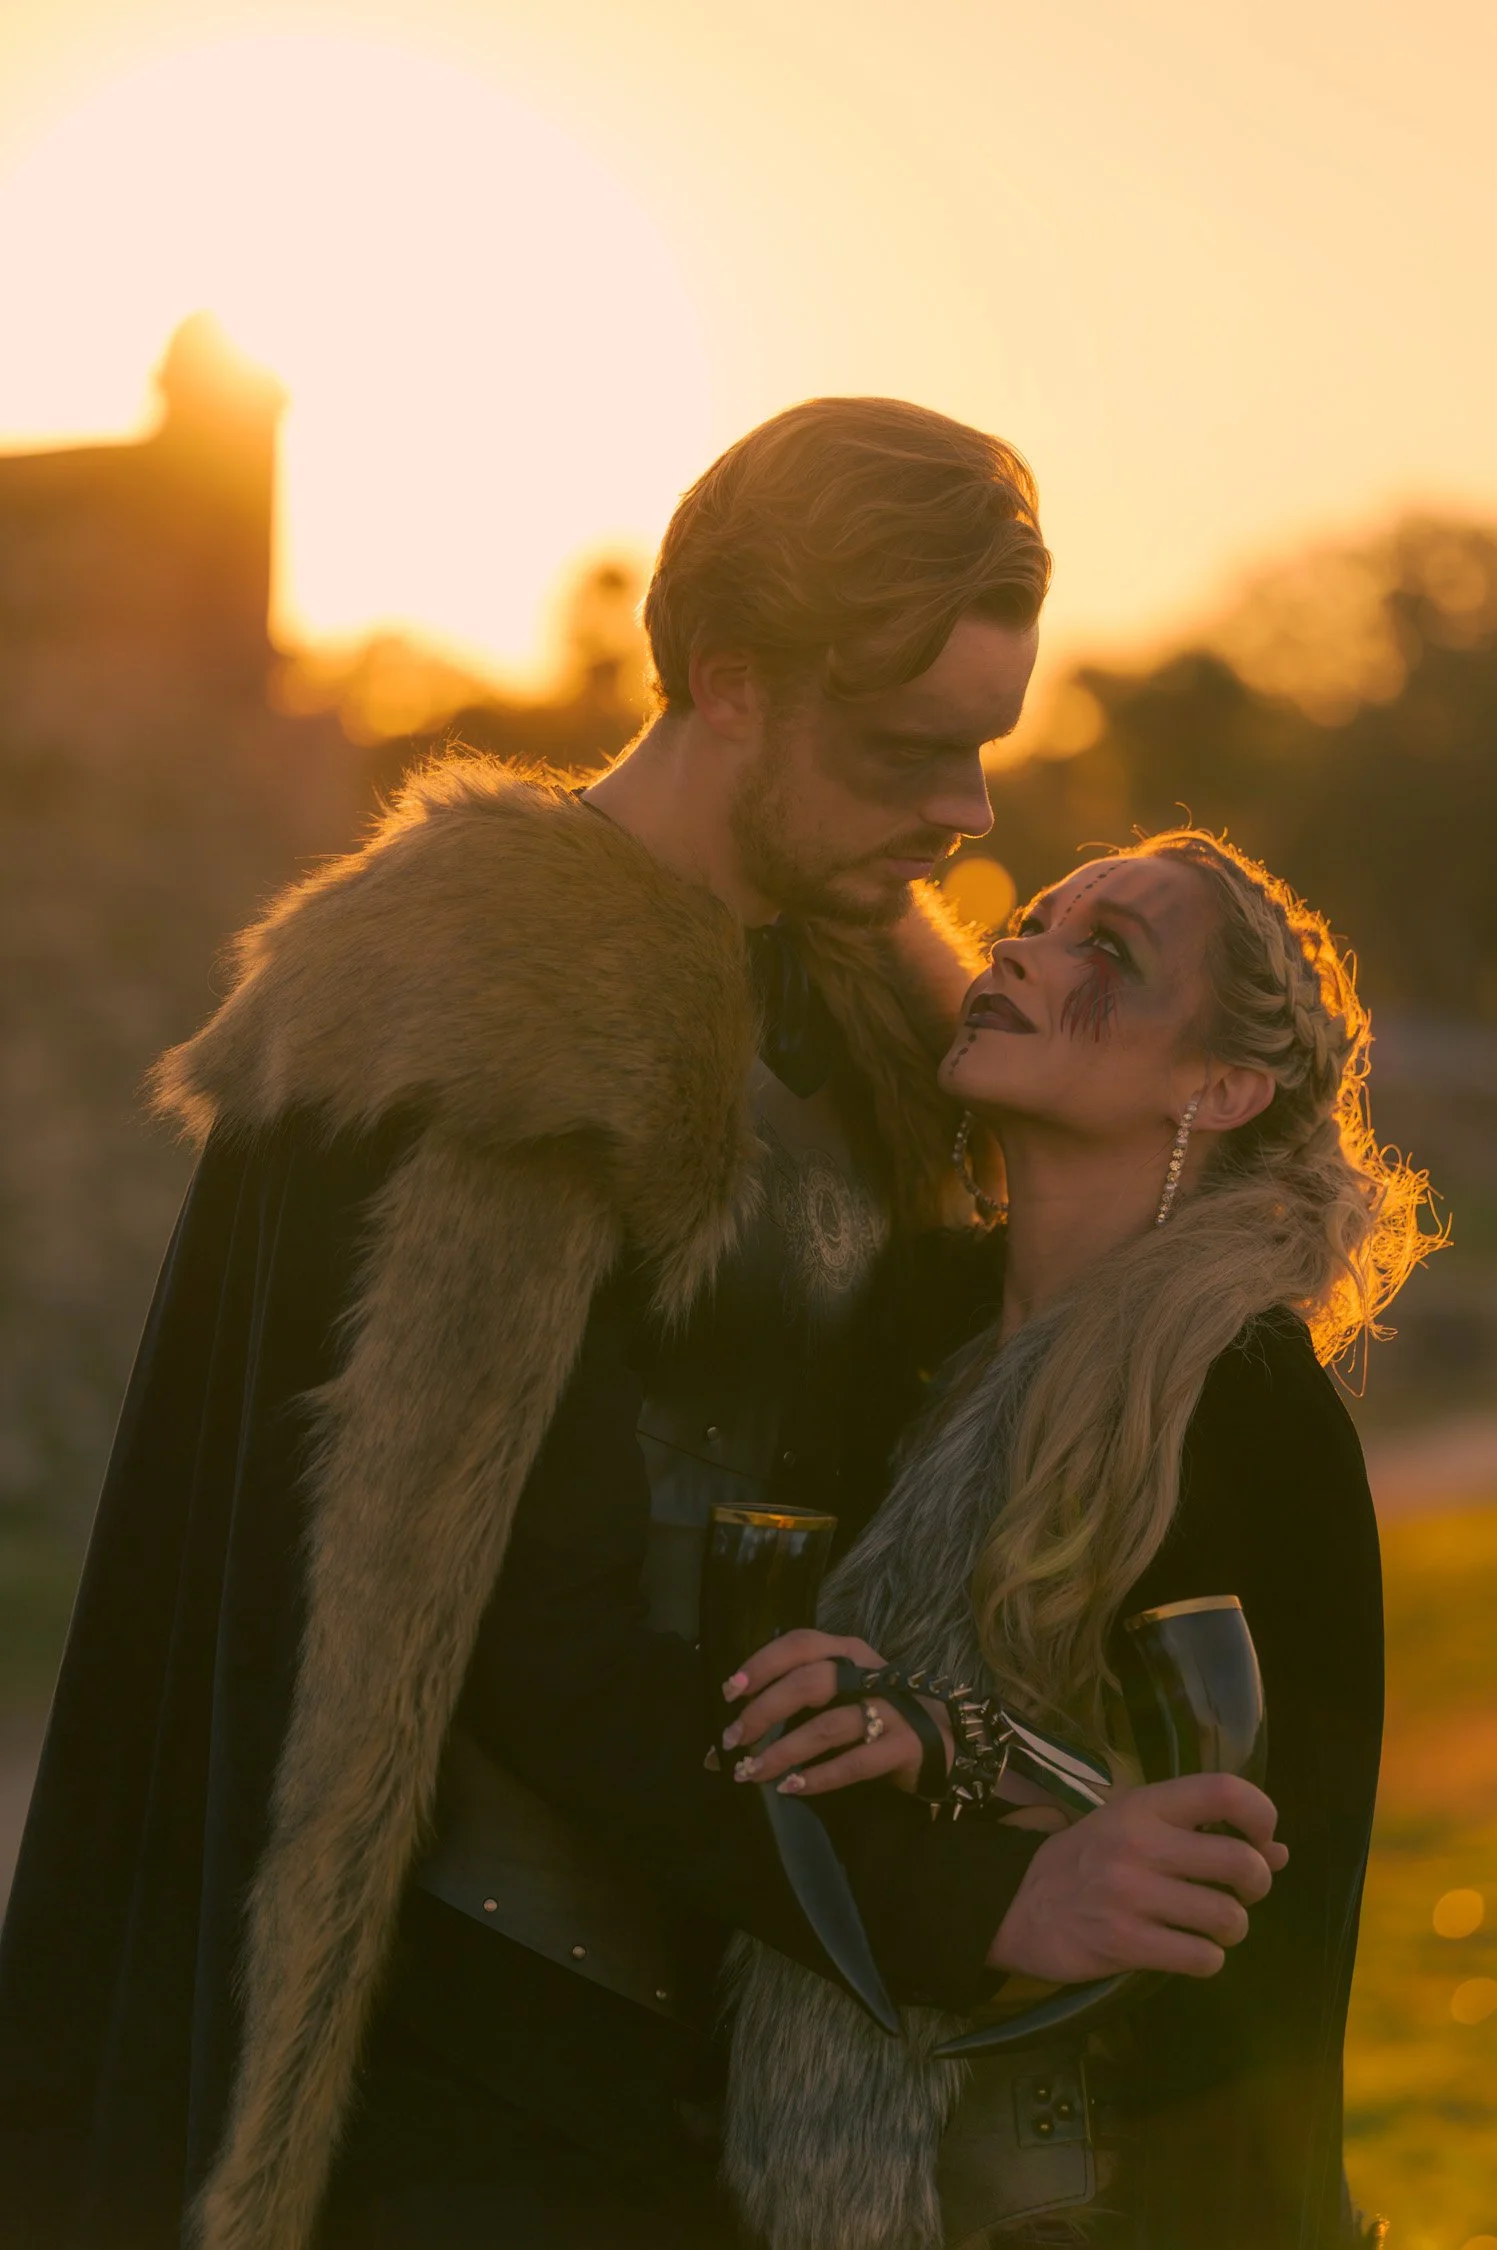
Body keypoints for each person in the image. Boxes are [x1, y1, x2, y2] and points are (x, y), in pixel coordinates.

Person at [0, 399, 1283, 2250]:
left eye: (983, 749)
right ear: (730, 681)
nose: (968, 813)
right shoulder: (479, 1007)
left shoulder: (868, 1017)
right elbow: (524, 1619)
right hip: (482, 2062)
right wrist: (971, 1904)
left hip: (758, 2021)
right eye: (910, 747)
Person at [718, 830, 1435, 2248]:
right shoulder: (902, 1332)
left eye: (1110, 952)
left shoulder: (1240, 1399)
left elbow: (1255, 1895)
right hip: (791, 2174)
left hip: (1082, 2199)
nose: (1019, 950)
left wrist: (951, 1738)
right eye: (1036, 922)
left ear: (1217, 1087)